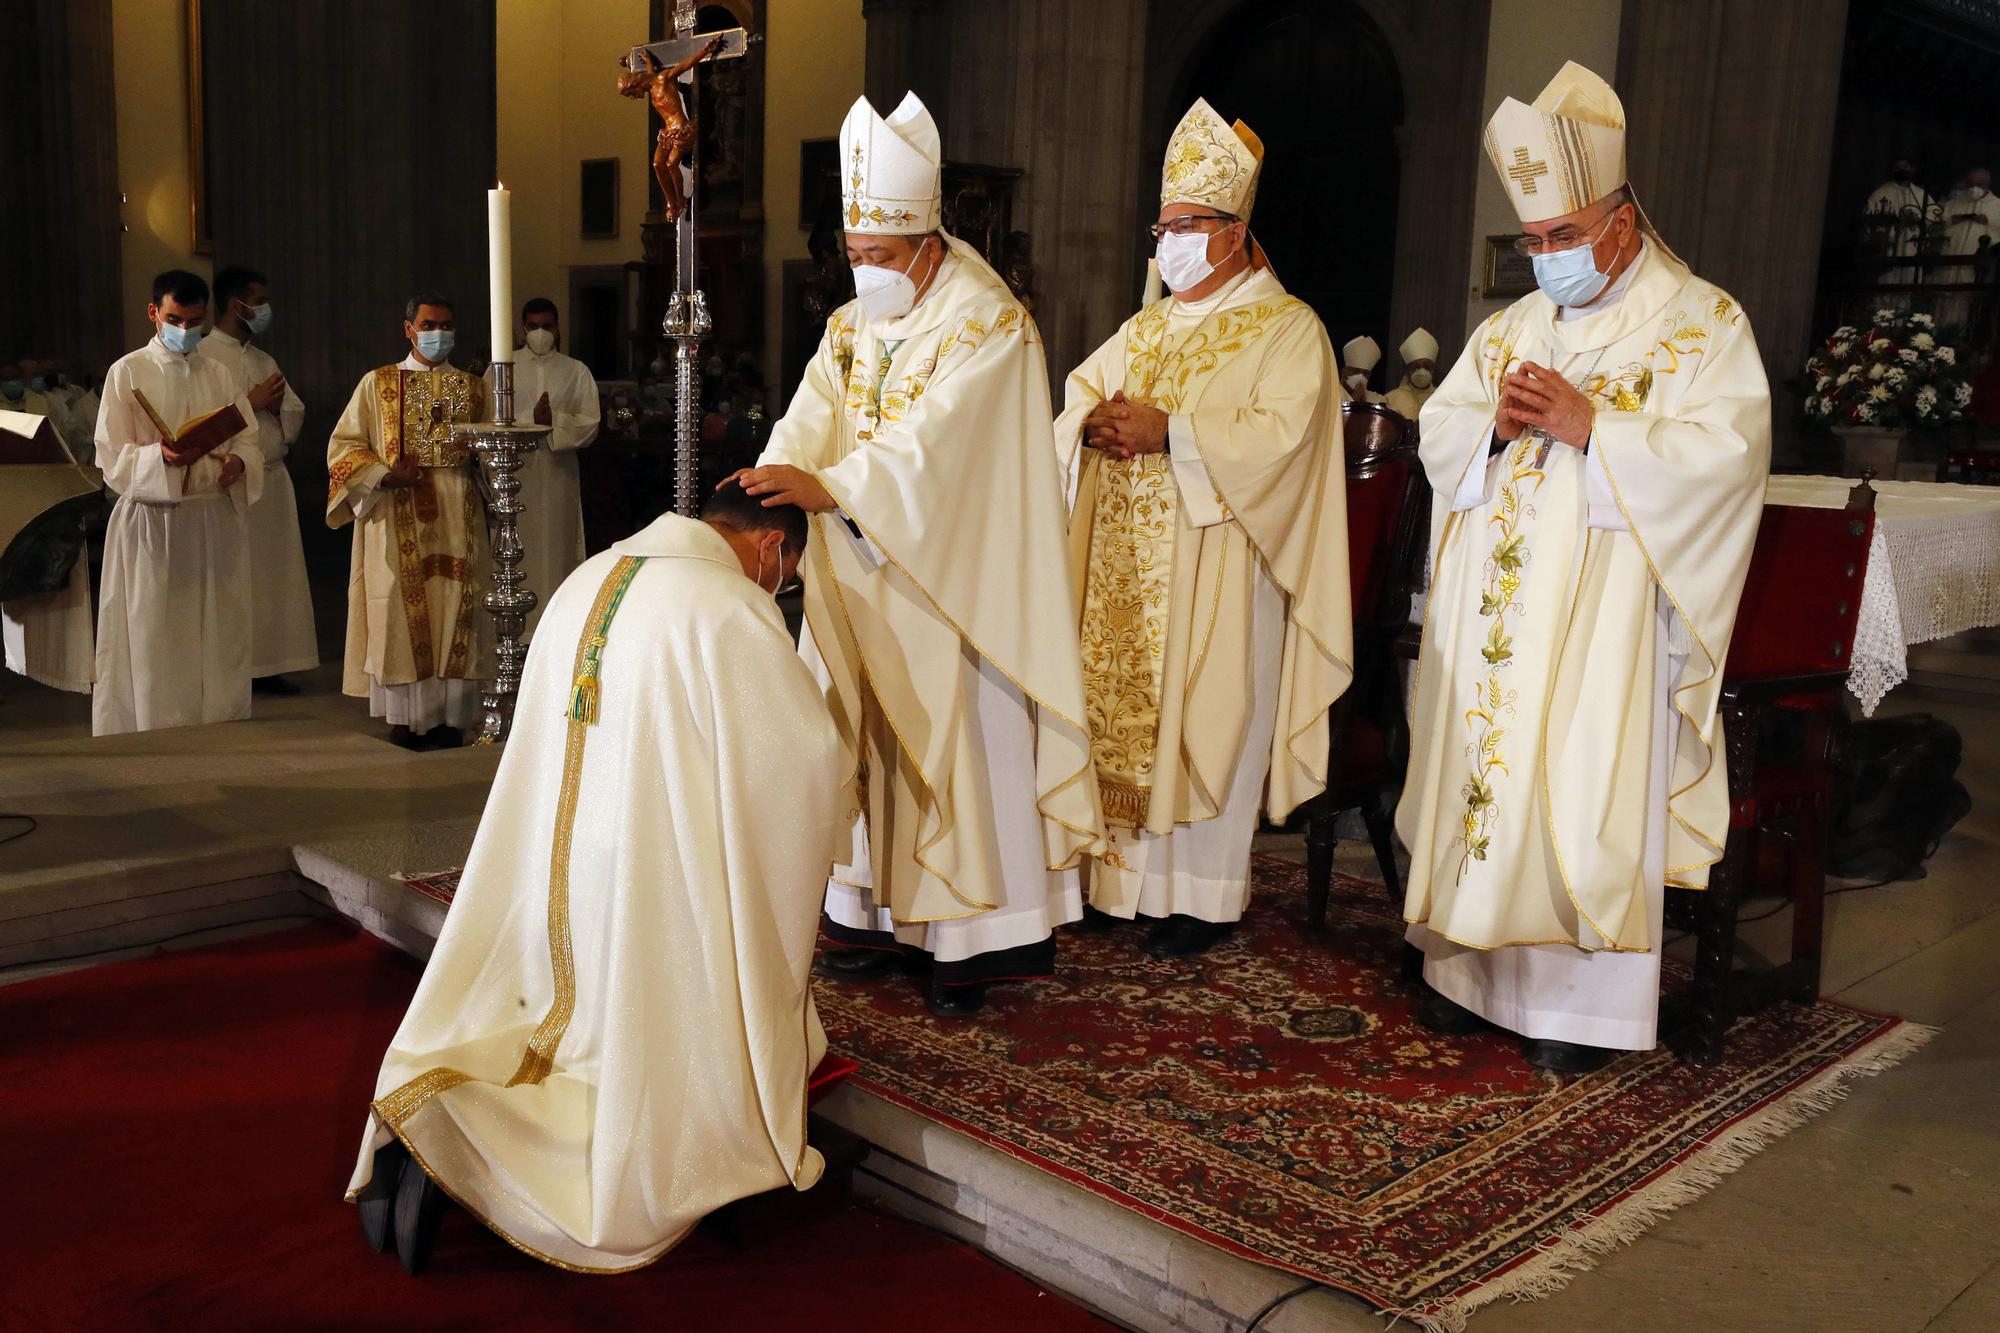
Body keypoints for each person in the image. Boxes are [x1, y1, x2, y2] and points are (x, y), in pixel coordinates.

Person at [347, 479, 844, 1275]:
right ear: (768, 549)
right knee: (644, 1041)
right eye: (788, 573)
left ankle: (430, 1122)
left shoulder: (591, 575)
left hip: (564, 863)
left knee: (550, 1016)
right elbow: (798, 766)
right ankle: (485, 1148)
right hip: (653, 872)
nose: (780, 588)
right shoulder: (728, 610)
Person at [1398, 62, 1770, 1073]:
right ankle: (1461, 975)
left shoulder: (1703, 322)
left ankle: (1576, 1011)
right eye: (1533, 241)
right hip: (1494, 605)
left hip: (1608, 610)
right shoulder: (1512, 326)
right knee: (1484, 770)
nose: (1545, 258)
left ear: (1619, 219)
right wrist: (1484, 430)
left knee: (1575, 779)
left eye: (1562, 237)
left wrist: (1593, 428)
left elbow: (1726, 458)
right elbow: (1439, 426)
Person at [741, 92, 1103, 1017]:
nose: (865, 274)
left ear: (929, 244)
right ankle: (865, 915)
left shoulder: (992, 324)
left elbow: (947, 448)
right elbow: (813, 410)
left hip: (955, 587)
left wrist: (841, 488)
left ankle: (971, 939)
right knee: (856, 738)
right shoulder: (853, 326)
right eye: (855, 257)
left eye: (882, 257)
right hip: (857, 571)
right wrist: (779, 473)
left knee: (958, 748)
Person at [1054, 98, 1352, 957]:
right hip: (1126, 571)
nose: (1169, 242)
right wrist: (1088, 427)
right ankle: (1115, 883)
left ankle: (1200, 896)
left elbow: (1285, 442)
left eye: (1185, 224)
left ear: (1232, 230)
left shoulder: (1289, 328)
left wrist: (1171, 433)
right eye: (1163, 226)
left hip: (1222, 565)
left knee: (1206, 714)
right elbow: (1079, 395)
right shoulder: (1144, 326)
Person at [91, 270, 270, 735]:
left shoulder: (218, 372)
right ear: (154, 313)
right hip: (156, 520)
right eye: (174, 319)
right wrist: (161, 457)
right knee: (156, 636)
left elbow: (249, 437)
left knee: (219, 630)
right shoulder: (127, 371)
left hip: (212, 517)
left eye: (195, 321)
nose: (185, 330)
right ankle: (153, 730)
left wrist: (240, 463)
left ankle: (219, 725)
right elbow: (111, 457)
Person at [326, 292, 488, 749]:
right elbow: (344, 447)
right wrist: (383, 476)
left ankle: (453, 716)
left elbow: (496, 452)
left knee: (458, 605)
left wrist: (483, 459)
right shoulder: (377, 385)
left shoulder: (475, 389)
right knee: (398, 606)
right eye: (430, 324)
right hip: (396, 512)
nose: (440, 334)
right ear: (409, 329)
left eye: (447, 325)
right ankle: (405, 717)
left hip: (459, 512)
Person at [202, 266, 318, 690]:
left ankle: (270, 664)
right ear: (237, 305)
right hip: (231, 482)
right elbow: (202, 423)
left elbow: (293, 410)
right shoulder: (204, 358)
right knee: (239, 577)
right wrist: (249, 403)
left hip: (272, 477)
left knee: (274, 577)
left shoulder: (262, 358)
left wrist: (274, 410)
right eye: (259, 299)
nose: (265, 308)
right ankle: (239, 667)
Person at [484, 297, 600, 637]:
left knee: (556, 553)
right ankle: (510, 634)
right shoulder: (501, 368)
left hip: (556, 475)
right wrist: (530, 422)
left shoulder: (575, 370)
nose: (540, 333)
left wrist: (555, 423)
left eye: (546, 326)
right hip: (513, 474)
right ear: (522, 328)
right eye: (533, 326)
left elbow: (590, 423)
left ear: (558, 327)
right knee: (513, 548)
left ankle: (555, 633)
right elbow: (488, 419)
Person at [1937, 168, 1998, 331]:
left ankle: (1965, 336)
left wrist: (1988, 222)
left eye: (1979, 185)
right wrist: (1951, 220)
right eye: (1971, 184)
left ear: (1987, 184)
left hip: (1976, 268)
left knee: (1969, 302)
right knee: (1945, 300)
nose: (1974, 188)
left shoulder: (1997, 206)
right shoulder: (1954, 204)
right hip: (1951, 262)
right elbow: (1940, 223)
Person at [1866, 158, 1933, 294]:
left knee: (1908, 286)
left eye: (1905, 166)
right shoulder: (1880, 193)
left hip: (1911, 247)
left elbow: (1933, 215)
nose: (1901, 170)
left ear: (1912, 169)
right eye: (1898, 167)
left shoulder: (1920, 194)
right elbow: (1869, 218)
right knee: (1886, 285)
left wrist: (1917, 219)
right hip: (1888, 247)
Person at [1383, 328, 1439, 422]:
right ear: (1408, 370)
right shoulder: (1391, 398)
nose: (1421, 371)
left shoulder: (1441, 397)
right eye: (1416, 367)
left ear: (1433, 369)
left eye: (1426, 366)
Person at [1340, 335, 1385, 403]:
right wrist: (1352, 402)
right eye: (1355, 371)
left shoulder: (1377, 399)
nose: (1361, 377)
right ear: (1344, 371)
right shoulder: (1333, 394)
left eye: (1365, 373)